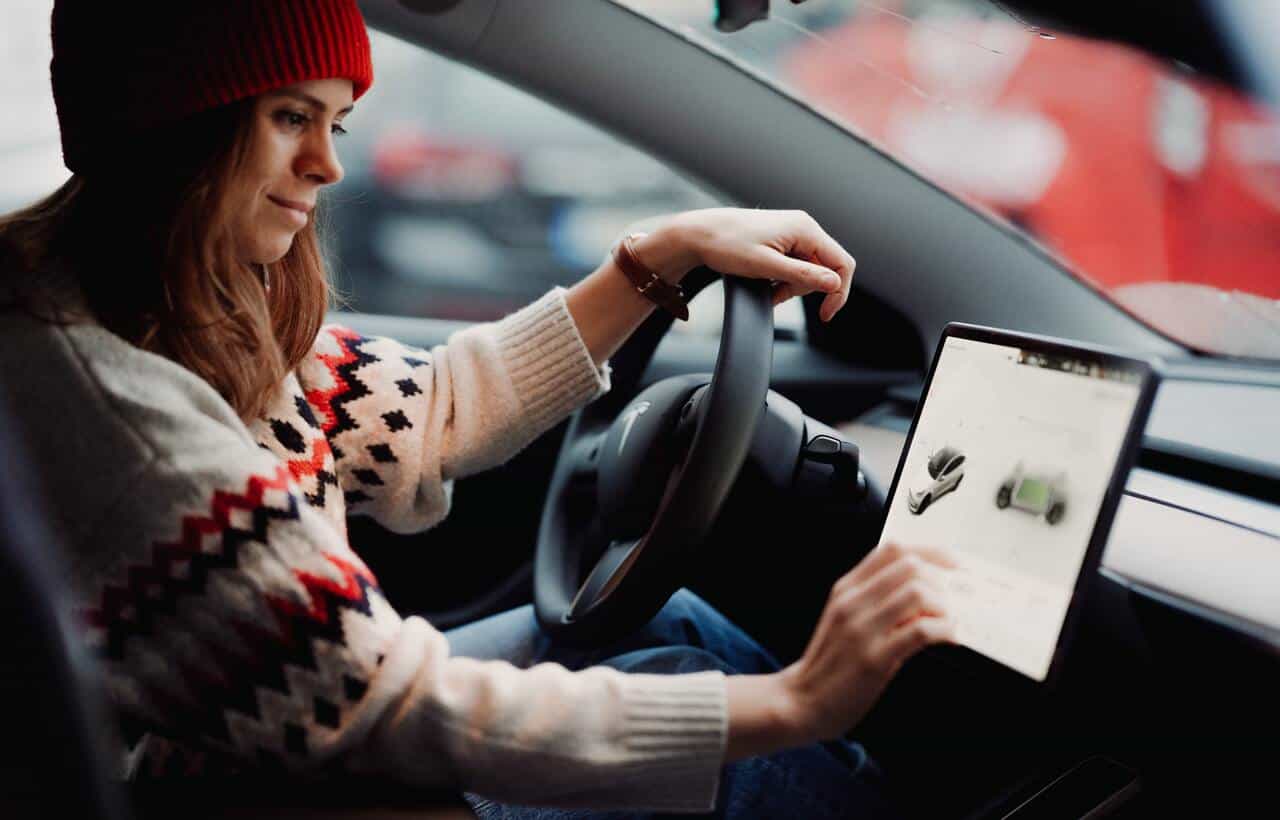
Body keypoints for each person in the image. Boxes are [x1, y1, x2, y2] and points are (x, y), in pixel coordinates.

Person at [0, 2, 957, 817]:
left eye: (336, 123)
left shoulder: (171, 308)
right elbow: (385, 707)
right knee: (744, 751)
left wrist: (661, 254)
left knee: (683, 635)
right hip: (243, 786)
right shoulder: (116, 408)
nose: (327, 165)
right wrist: (800, 703)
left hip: (273, 749)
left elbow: (434, 411)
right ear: (176, 124)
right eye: (293, 116)